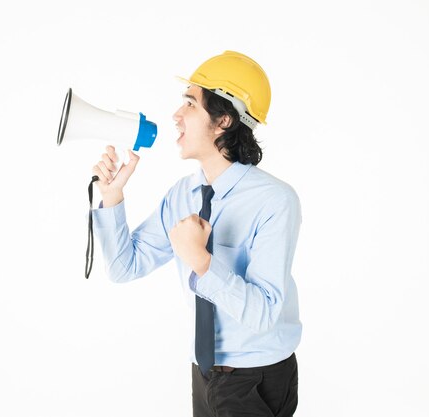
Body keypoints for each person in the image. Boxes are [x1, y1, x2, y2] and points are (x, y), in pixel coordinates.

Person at [90, 50, 301, 417]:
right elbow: (124, 267)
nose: (175, 115)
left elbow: (265, 313)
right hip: (203, 373)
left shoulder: (275, 200)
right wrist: (112, 198)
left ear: (223, 120)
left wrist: (202, 262)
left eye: (189, 102)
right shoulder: (182, 195)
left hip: (257, 377)